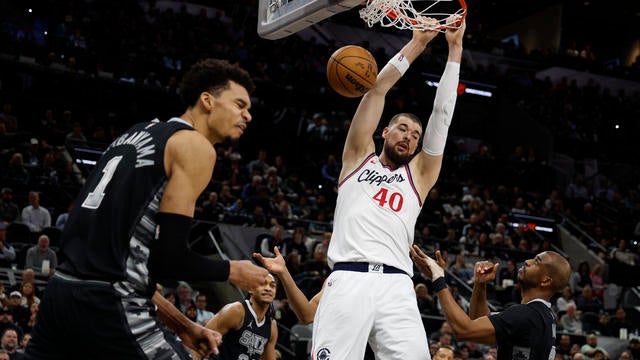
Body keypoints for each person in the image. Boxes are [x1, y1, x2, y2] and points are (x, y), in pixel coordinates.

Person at [25, 58, 269, 359]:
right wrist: (232, 270)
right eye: (240, 104)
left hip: (60, 294)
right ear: (207, 100)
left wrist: (184, 326)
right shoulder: (195, 146)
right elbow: (169, 259)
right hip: (108, 303)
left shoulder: (135, 134)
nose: (248, 115)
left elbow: (123, 263)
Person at [310, 17, 466, 360]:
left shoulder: (421, 175)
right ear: (384, 132)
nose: (409, 137)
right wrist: (417, 44)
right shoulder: (356, 158)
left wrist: (454, 50)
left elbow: (442, 115)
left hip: (397, 285)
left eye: (414, 135)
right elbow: (376, 89)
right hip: (349, 278)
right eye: (402, 129)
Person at [411, 247, 571, 360]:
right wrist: (480, 285)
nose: (528, 261)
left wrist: (438, 279)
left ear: (545, 280)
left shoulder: (526, 315)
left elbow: (464, 330)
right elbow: (479, 321)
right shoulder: (542, 315)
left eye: (537, 262)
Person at [201, 274, 278, 360]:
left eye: (272, 286)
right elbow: (200, 342)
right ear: (251, 289)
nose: (268, 288)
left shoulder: (272, 326)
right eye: (262, 284)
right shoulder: (236, 311)